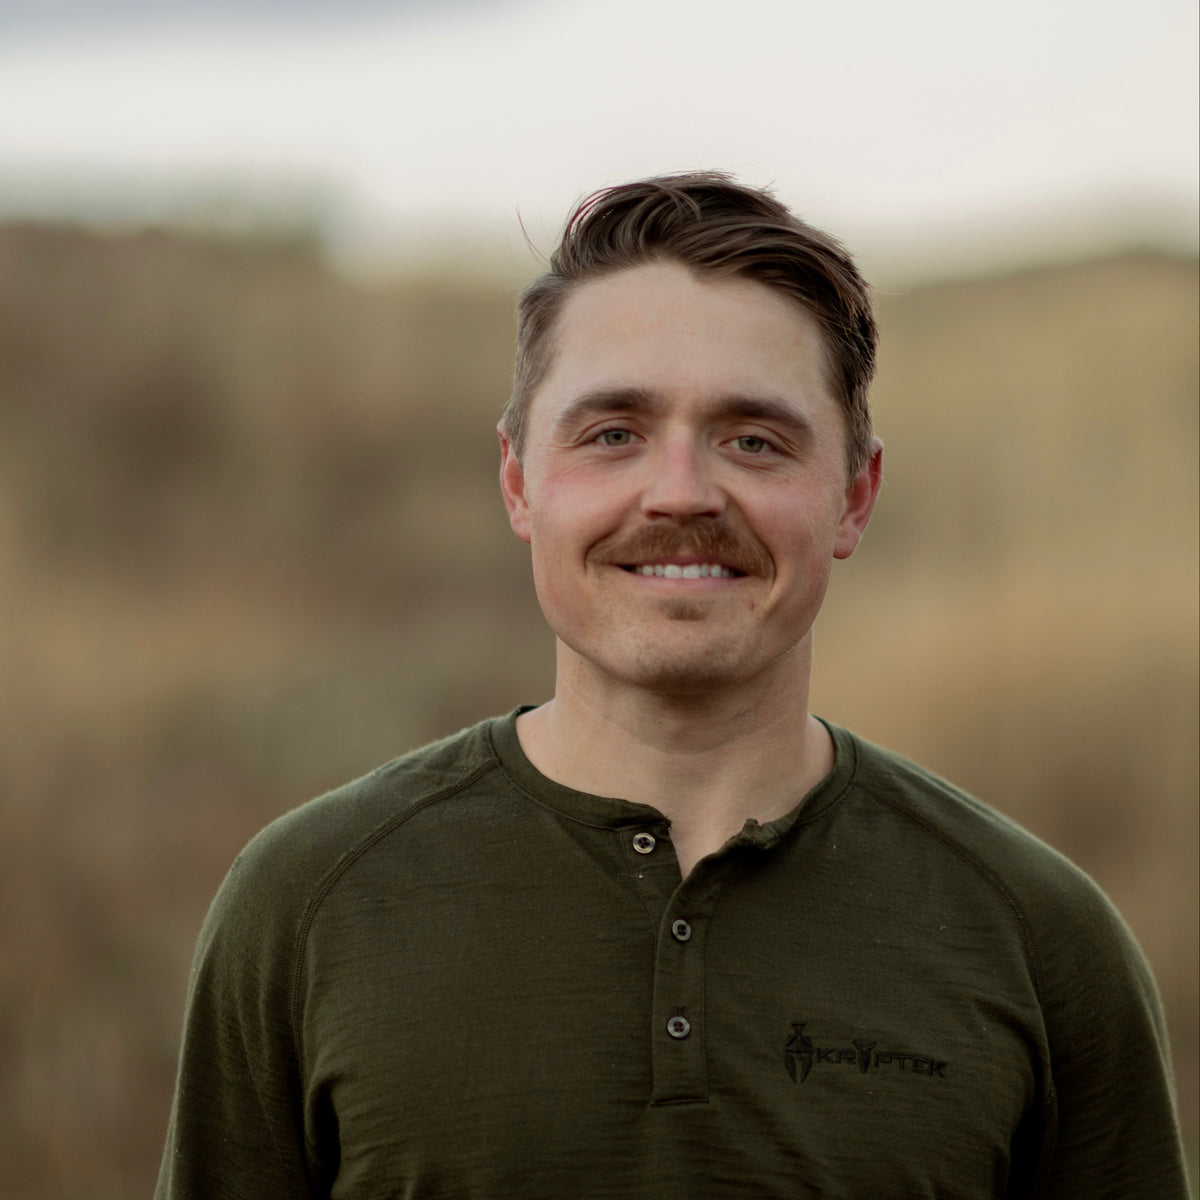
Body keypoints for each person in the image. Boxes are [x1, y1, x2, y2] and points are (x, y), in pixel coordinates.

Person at [155, 173, 1188, 1199]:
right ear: (520, 484)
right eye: (613, 434)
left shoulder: (1042, 939)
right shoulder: (308, 903)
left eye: (754, 439)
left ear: (853, 497)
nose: (683, 493)